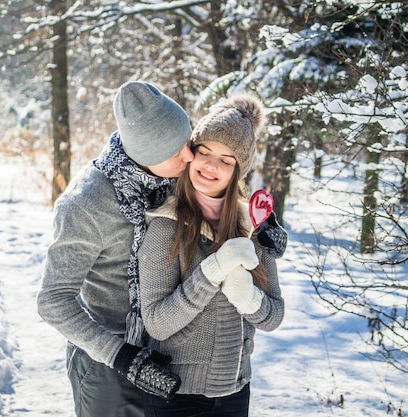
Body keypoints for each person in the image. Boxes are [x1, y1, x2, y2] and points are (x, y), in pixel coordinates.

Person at [37, 80, 195, 417]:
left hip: (168, 355)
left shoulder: (171, 180)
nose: (190, 156)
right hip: (107, 362)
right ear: (147, 153)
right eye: (176, 151)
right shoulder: (87, 204)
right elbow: (52, 300)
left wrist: (261, 233)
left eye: (188, 141)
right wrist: (121, 356)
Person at [138, 93, 287, 417]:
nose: (210, 165)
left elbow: (274, 316)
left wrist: (248, 298)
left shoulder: (253, 226)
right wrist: (212, 272)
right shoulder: (167, 226)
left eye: (226, 159)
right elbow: (157, 325)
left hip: (235, 392)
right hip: (177, 397)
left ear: (238, 170)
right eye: (204, 151)